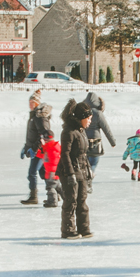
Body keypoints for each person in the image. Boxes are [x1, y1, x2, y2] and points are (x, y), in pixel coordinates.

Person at [58, 100, 92, 238]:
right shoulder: (68, 131)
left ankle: (84, 229)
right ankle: (68, 230)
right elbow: (65, 154)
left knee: (82, 200)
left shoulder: (81, 131)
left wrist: (89, 171)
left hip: (81, 170)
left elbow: (83, 154)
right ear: (81, 117)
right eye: (88, 119)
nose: (90, 121)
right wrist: (70, 173)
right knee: (71, 201)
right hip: (69, 171)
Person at [20, 91, 51, 205]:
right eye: (29, 102)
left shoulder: (39, 117)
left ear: (37, 103)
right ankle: (56, 194)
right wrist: (25, 147)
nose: (30, 104)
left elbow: (45, 135)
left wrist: (35, 148)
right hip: (36, 150)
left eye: (32, 102)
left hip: (40, 151)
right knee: (43, 174)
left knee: (32, 173)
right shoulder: (33, 116)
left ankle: (34, 197)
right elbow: (32, 135)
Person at [81, 92, 117, 177]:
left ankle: (86, 176)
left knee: (85, 162)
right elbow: (106, 128)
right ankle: (90, 175)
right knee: (93, 162)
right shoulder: (98, 113)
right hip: (95, 142)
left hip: (83, 140)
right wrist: (112, 142)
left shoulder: (82, 112)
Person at [39, 125, 62, 208]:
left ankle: (52, 202)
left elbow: (42, 154)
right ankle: (68, 199)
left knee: (50, 187)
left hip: (51, 172)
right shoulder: (55, 146)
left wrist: (41, 146)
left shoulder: (49, 148)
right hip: (56, 171)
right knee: (58, 187)